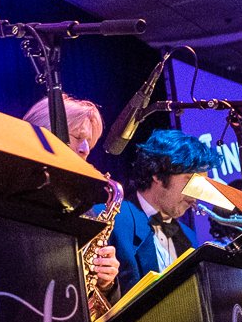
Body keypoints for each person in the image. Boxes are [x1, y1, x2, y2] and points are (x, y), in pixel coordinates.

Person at [23, 95, 120, 294]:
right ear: (44, 134)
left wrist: (106, 284)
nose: (85, 150)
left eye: (89, 144)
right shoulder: (7, 192)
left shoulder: (87, 212)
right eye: (77, 138)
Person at [107, 129, 220, 293]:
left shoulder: (189, 237)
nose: (196, 193)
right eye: (190, 180)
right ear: (158, 175)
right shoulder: (113, 219)